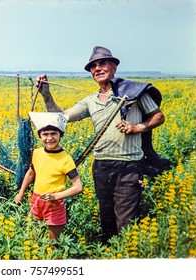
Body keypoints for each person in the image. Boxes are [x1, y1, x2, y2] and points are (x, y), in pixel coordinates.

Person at [36, 46, 166, 243]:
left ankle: (127, 255)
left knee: (126, 220)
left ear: (113, 67)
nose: (97, 68)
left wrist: (136, 127)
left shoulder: (134, 93)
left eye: (103, 63)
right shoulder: (91, 101)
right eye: (93, 66)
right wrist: (46, 94)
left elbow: (158, 116)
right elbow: (60, 118)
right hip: (101, 166)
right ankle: (110, 256)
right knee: (106, 217)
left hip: (128, 166)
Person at [15, 112, 83, 241]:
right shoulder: (37, 153)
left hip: (54, 204)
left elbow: (78, 186)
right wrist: (21, 193)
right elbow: (30, 173)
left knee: (54, 243)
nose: (49, 138)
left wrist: (56, 196)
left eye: (54, 134)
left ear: (60, 135)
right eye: (45, 134)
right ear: (40, 136)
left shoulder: (66, 159)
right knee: (33, 238)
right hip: (36, 200)